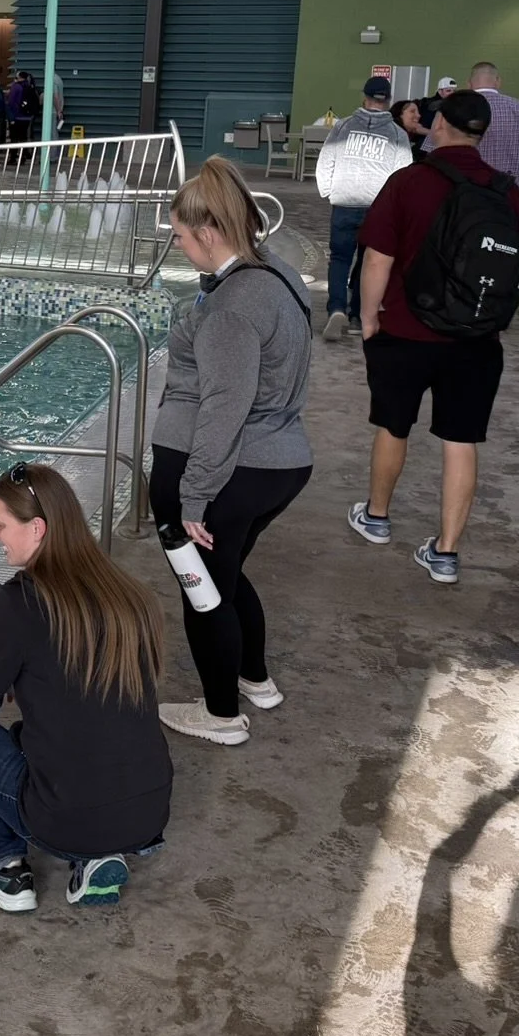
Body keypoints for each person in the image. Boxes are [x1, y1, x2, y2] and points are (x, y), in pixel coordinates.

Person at [0, 463, 170, 912]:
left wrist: (6, 671)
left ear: (37, 529)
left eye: (0, 524)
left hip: (64, 820)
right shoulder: (131, 595)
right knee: (57, 742)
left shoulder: (14, 606)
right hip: (148, 813)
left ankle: (0, 857)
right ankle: (95, 855)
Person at [151, 157, 313, 746]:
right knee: (227, 574)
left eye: (180, 235)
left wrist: (193, 495)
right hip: (283, 461)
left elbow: (225, 404)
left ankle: (220, 715)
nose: (176, 245)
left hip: (228, 470)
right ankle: (255, 679)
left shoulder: (231, 308)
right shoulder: (277, 274)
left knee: (204, 593)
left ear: (209, 232)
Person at [349, 91, 519, 586]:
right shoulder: (506, 191)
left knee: (393, 426)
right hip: (476, 339)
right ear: (482, 134)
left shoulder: (409, 181)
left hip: (405, 330)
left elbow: (377, 259)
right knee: (461, 440)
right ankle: (446, 553)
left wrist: (368, 317)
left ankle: (376, 517)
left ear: (438, 127)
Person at [313, 76, 413, 342]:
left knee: (340, 258)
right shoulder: (398, 135)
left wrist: (328, 191)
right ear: (388, 101)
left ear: (364, 97)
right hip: (377, 208)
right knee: (368, 262)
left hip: (344, 202)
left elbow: (326, 159)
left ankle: (336, 308)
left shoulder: (343, 126)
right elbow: (403, 176)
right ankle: (357, 315)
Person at [462, 62, 519, 183]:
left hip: (466, 183)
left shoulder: (458, 107)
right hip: (507, 183)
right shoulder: (518, 107)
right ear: (498, 81)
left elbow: (436, 147)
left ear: (469, 83)